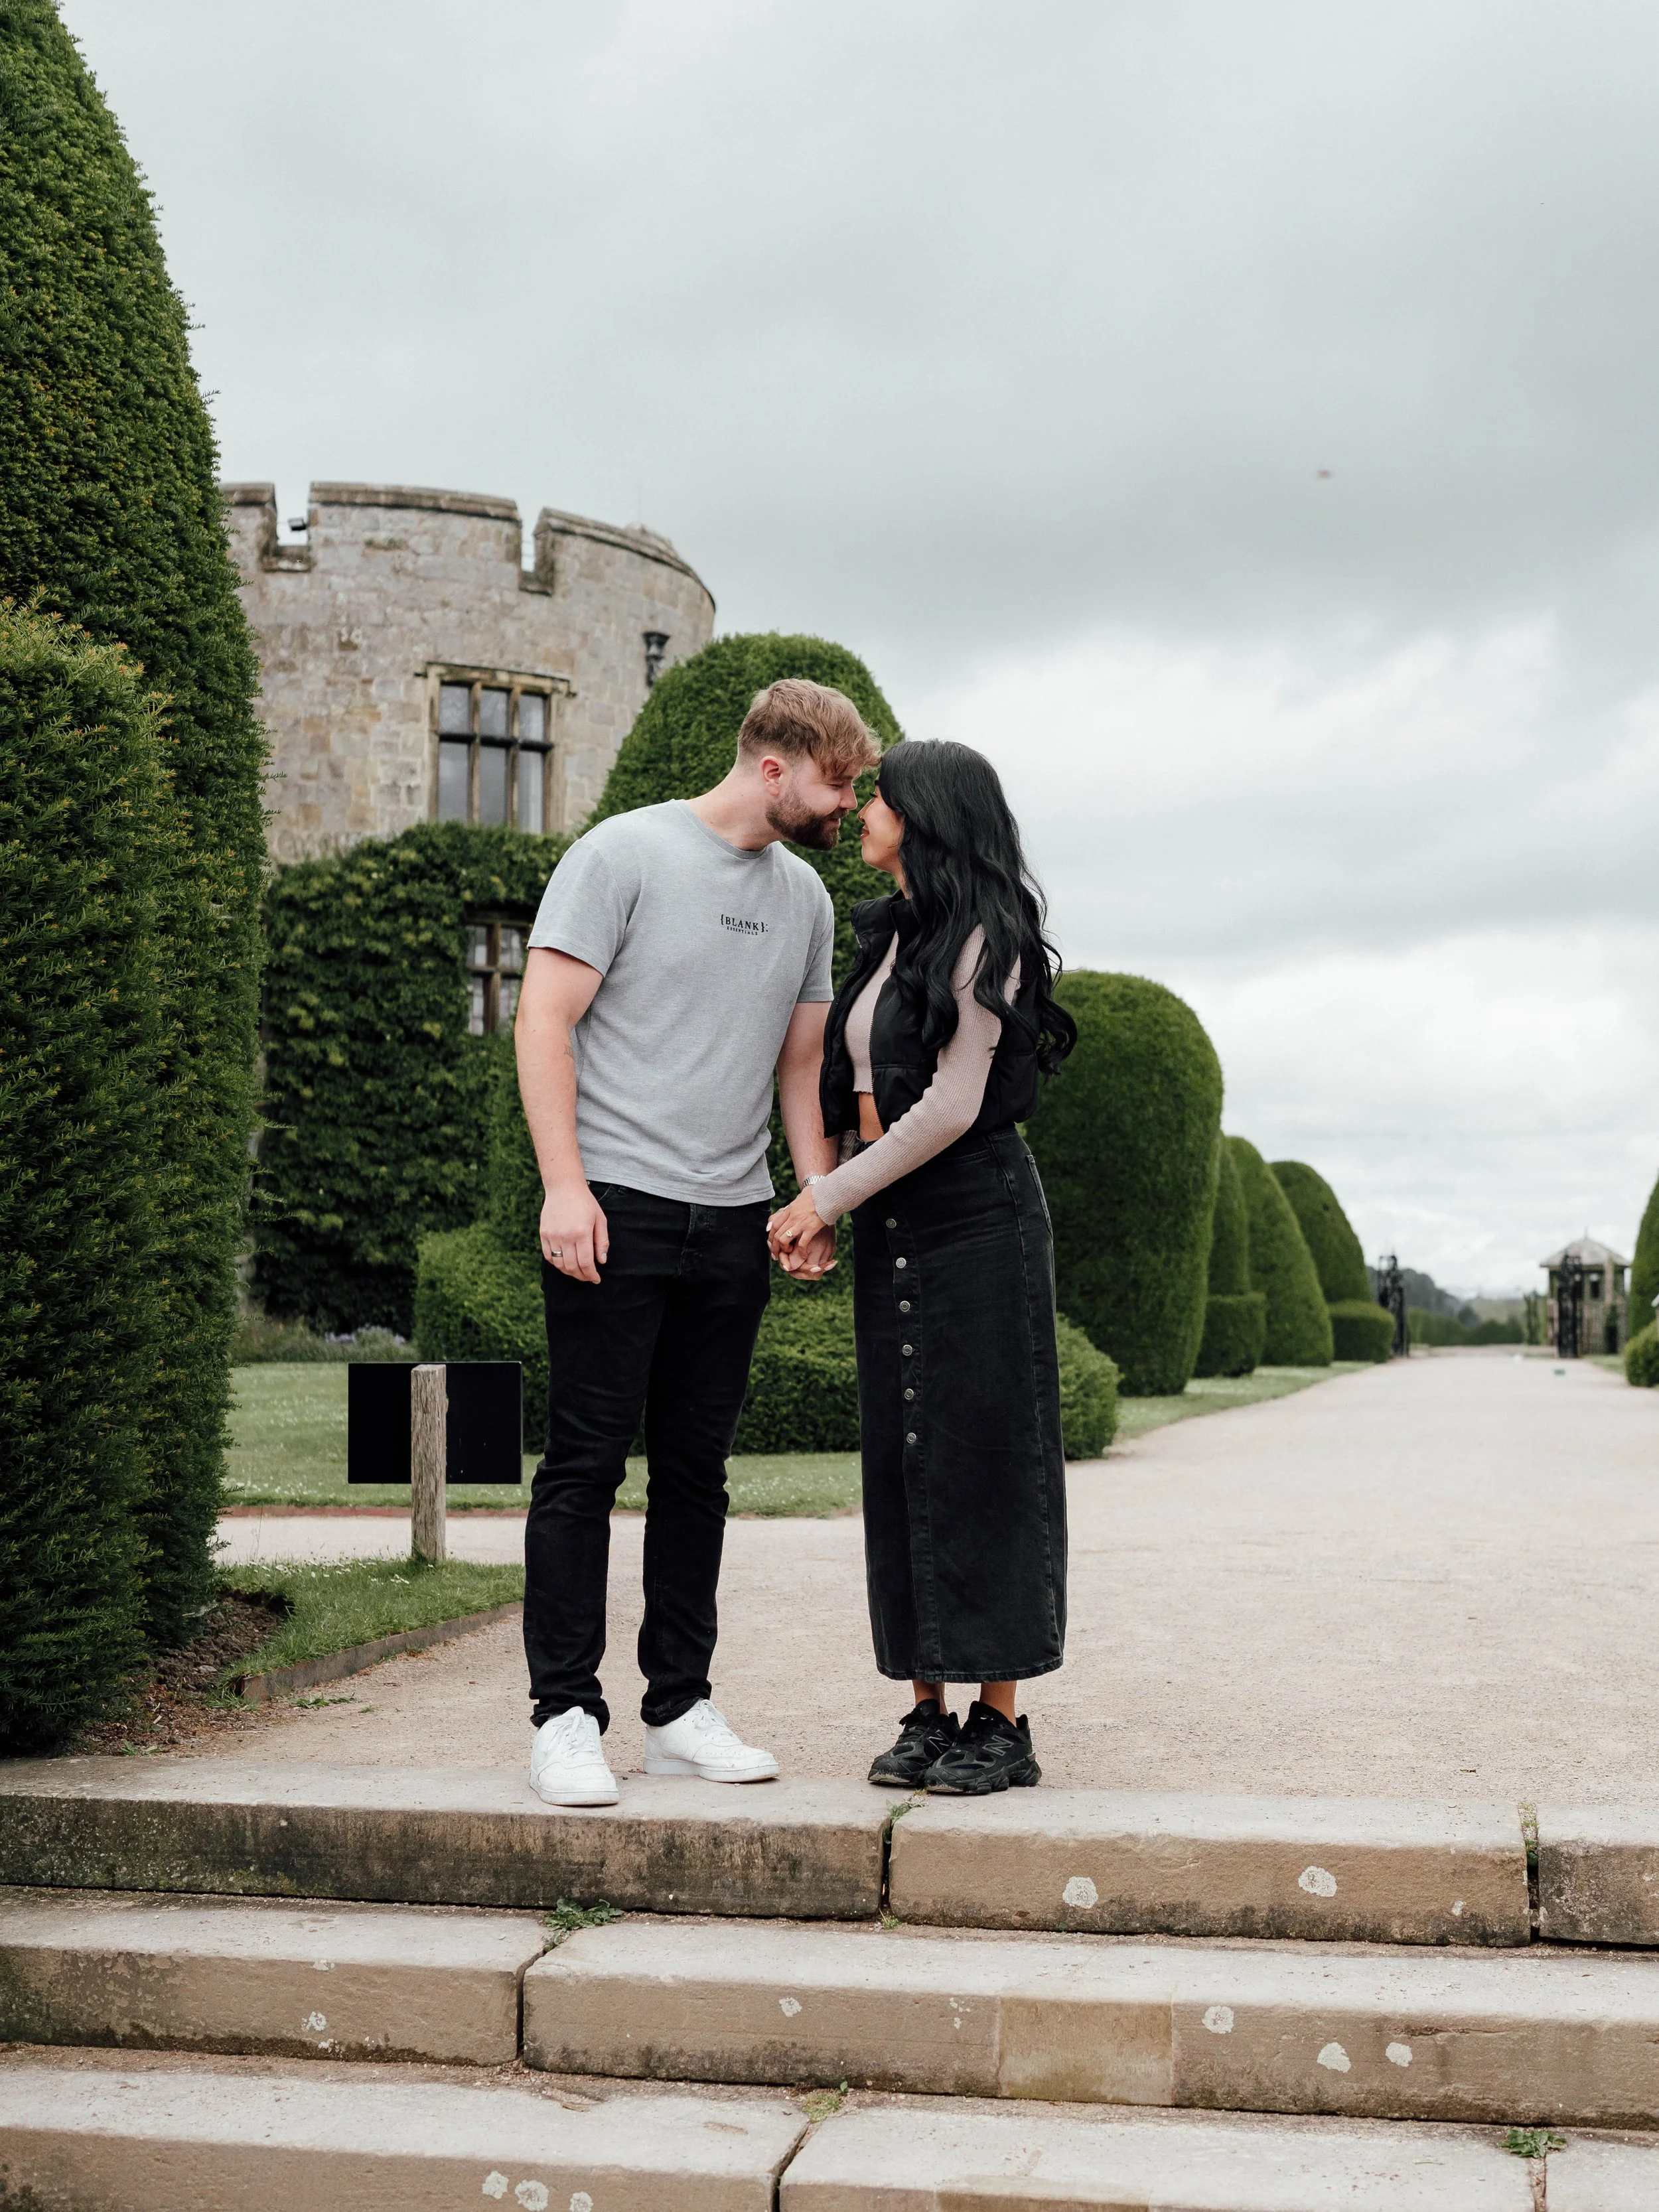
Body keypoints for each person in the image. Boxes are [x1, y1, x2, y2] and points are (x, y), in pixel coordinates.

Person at [514, 677, 881, 1807]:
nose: (846, 805)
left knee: (695, 1476)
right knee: (582, 1467)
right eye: (838, 782)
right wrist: (562, 1186)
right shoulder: (621, 854)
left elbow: (801, 1069)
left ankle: (677, 1706)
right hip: (612, 1206)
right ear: (775, 769)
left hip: (728, 1222)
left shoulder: (808, 898)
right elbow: (544, 1020)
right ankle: (566, 1715)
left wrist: (814, 1197)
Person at [767, 740, 1076, 1795]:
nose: (862, 809)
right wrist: (832, 1207)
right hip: (892, 1211)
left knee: (988, 1454)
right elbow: (859, 1097)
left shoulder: (992, 940)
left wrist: (823, 1197)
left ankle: (1001, 1722)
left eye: (880, 798)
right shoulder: (890, 938)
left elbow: (949, 1107)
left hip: (978, 1217)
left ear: (928, 815)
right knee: (902, 1456)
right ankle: (922, 1709)